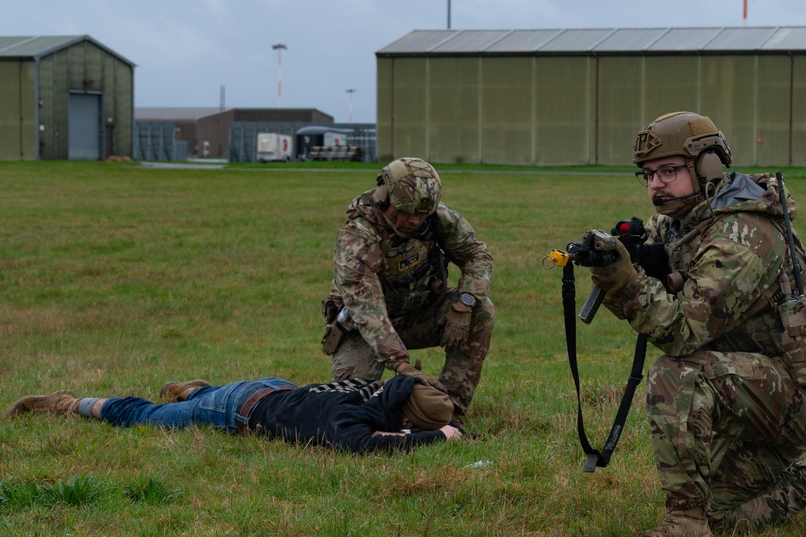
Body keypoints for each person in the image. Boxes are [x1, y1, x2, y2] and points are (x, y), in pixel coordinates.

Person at [581, 111, 806, 537]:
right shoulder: (683, 224)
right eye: (648, 175)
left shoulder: (744, 233)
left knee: (678, 374)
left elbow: (684, 332)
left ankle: (685, 529)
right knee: (724, 515)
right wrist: (619, 267)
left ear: (707, 167)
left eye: (669, 171)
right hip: (752, 381)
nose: (656, 186)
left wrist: (627, 283)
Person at [322, 157, 495, 431]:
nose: (414, 220)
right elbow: (367, 310)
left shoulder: (437, 219)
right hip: (363, 330)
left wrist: (465, 303)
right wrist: (402, 366)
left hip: (417, 316)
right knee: (351, 410)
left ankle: (448, 411)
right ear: (385, 198)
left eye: (421, 214)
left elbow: (477, 256)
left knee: (482, 312)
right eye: (406, 212)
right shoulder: (358, 237)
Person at [7, 375, 462, 453]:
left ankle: (193, 389)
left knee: (198, 400)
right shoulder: (348, 420)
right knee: (145, 416)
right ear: (403, 421)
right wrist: (438, 438)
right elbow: (361, 446)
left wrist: (452, 426)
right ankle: (71, 404)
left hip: (272, 389)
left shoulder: (370, 391)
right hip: (234, 411)